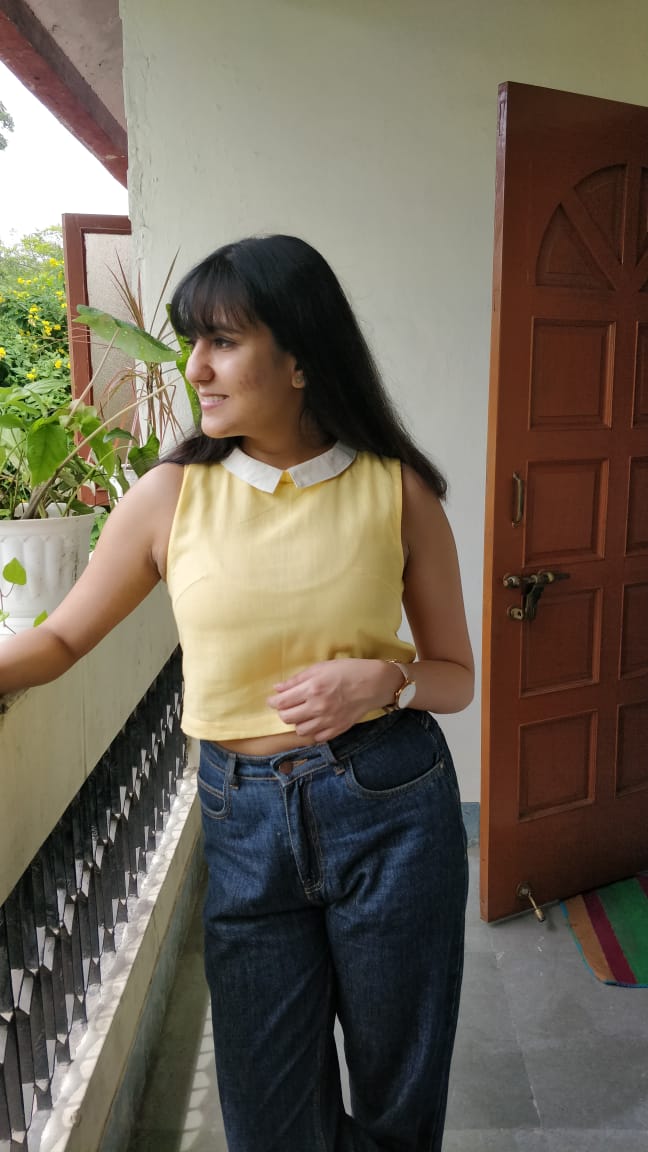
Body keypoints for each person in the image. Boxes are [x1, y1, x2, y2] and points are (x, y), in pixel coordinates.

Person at [0, 235, 474, 1152]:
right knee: (268, 1116)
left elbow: (455, 676)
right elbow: (59, 640)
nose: (195, 366)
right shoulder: (171, 496)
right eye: (192, 341)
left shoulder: (397, 488)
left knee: (397, 1100)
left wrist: (390, 676)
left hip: (390, 805)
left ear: (299, 356)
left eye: (221, 341)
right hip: (244, 817)